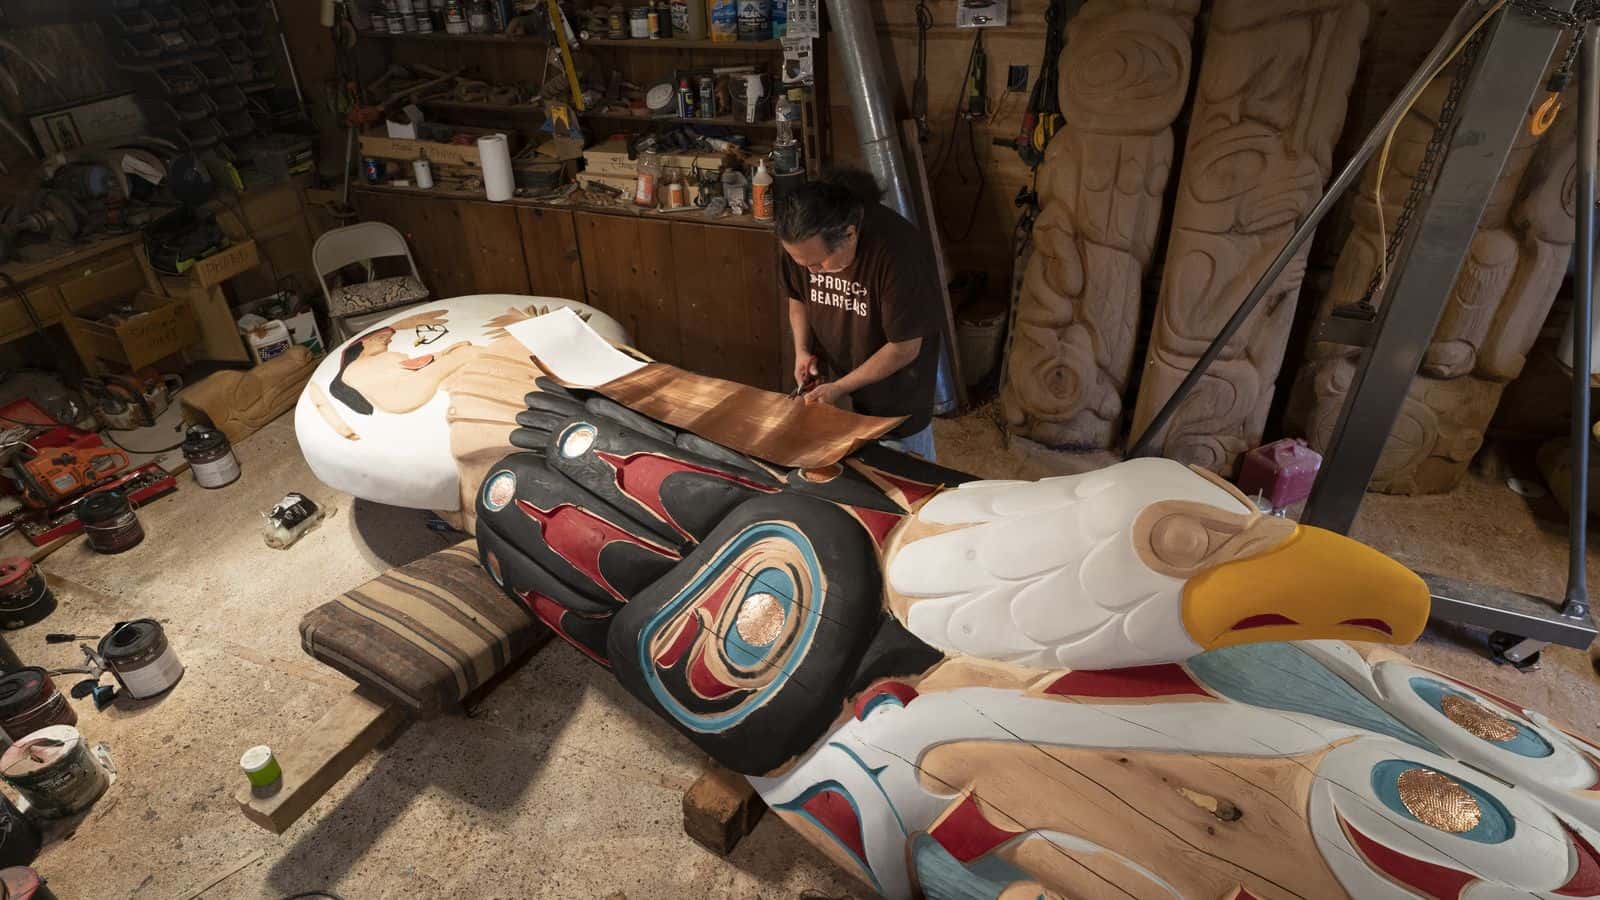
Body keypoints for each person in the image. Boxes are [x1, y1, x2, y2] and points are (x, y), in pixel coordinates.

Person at [777, 169, 942, 460]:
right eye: (800, 262)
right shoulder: (801, 244)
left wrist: (840, 387)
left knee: (905, 484)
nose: (809, 270)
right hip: (838, 385)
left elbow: (904, 347)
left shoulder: (899, 252)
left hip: (896, 398)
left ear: (850, 234)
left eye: (817, 263)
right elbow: (797, 299)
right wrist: (802, 351)